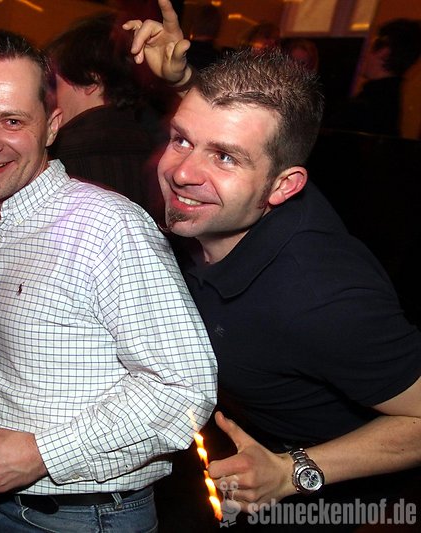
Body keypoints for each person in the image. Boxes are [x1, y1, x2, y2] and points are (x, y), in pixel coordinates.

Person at [128, 8, 421, 530]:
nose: (182, 173)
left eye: (225, 158)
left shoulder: (322, 297)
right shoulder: (228, 202)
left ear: (283, 187)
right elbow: (231, 126)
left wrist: (294, 471)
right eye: (181, 139)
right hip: (229, 453)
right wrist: (182, 78)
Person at [0, 27, 217, 532]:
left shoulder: (108, 226)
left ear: (51, 127)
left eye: (12, 120)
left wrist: (42, 453)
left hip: (86, 518)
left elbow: (184, 388)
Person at [46, 12, 163, 215]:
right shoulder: (159, 160)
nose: (47, 93)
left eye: (53, 82)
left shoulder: (55, 165)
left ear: (91, 80)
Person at [326, 18, 421, 137]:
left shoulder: (364, 106)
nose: (364, 54)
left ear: (384, 51)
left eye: (370, 45)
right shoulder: (391, 103)